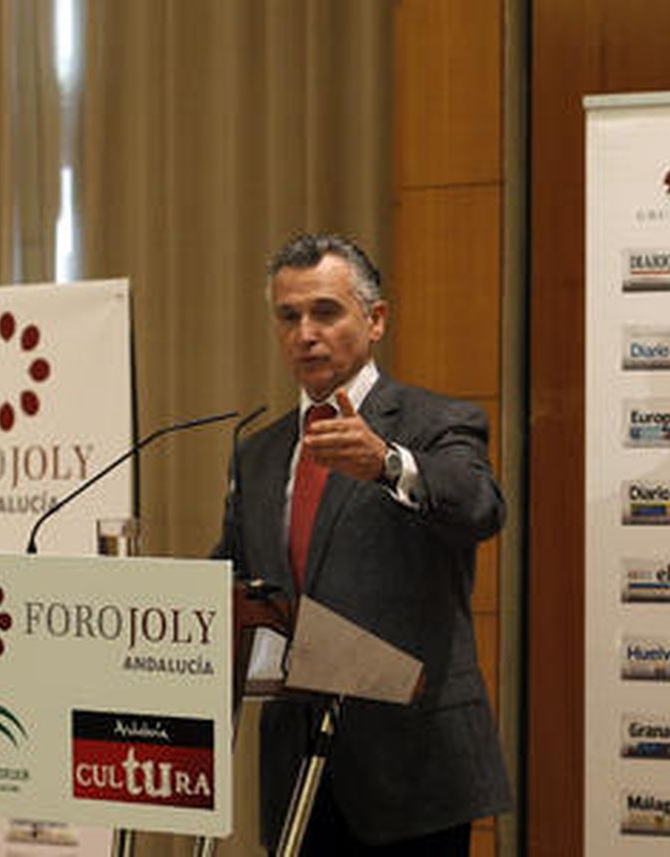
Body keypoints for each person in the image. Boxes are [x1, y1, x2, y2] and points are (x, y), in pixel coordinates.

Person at [216, 234, 511, 855]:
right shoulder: (259, 451)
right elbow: (234, 577)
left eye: (325, 312)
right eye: (289, 316)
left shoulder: (436, 422)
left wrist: (388, 463)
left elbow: (480, 507)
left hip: (414, 765)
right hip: (298, 772)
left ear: (375, 320)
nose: (305, 334)